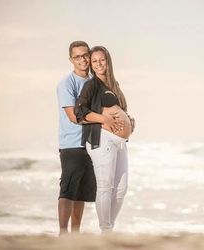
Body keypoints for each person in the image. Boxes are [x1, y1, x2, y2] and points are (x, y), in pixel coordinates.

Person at [74, 46, 134, 232]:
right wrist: (104, 119)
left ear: (108, 61)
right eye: (95, 61)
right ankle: (105, 230)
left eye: (102, 60)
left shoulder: (114, 85)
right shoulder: (91, 85)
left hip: (120, 142)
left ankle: (109, 228)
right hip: (101, 139)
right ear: (91, 65)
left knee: (121, 188)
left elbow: (120, 110)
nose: (99, 64)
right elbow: (79, 112)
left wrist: (129, 121)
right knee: (106, 186)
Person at [56, 41, 98, 235]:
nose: (82, 59)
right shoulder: (67, 84)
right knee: (68, 190)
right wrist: (103, 121)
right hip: (72, 145)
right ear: (71, 60)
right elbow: (73, 116)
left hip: (92, 145)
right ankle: (63, 234)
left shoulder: (95, 82)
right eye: (77, 56)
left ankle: (76, 235)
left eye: (85, 55)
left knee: (81, 193)